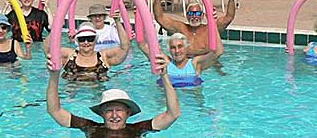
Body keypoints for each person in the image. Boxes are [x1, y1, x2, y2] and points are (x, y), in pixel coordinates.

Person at [46, 53, 181, 137]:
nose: (114, 115)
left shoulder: (137, 130)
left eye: (119, 110)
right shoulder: (91, 128)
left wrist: (164, 76)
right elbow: (55, 111)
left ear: (128, 113)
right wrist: (54, 76)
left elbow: (173, 114)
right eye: (109, 110)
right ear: (102, 113)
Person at [44, 10, 130, 82]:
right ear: (77, 41)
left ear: (95, 40)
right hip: (72, 98)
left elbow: (125, 48)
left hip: (97, 96)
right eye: (82, 39)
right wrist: (56, 27)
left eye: (90, 38)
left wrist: (118, 22)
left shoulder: (104, 57)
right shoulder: (69, 55)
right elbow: (48, 50)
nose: (86, 42)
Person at [152, 0, 236, 56]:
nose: (194, 16)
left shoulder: (210, 28)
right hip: (186, 62)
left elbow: (229, 17)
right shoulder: (181, 28)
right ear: (187, 16)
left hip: (206, 63)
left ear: (203, 15)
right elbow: (159, 18)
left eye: (197, 13)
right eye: (191, 13)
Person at [138, 33, 220, 87]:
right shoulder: (165, 62)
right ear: (169, 50)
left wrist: (213, 21)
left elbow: (218, 52)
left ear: (186, 48)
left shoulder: (195, 64)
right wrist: (139, 15)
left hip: (193, 106)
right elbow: (142, 44)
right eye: (173, 48)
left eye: (180, 46)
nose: (177, 51)